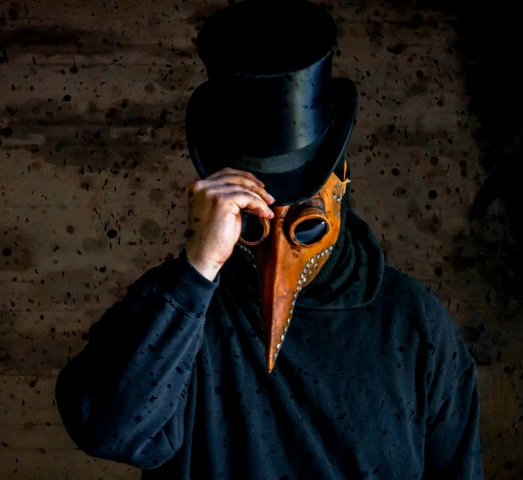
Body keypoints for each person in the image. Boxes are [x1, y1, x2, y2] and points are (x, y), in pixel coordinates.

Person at [55, 0, 484, 478]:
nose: (278, 255)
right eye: (255, 224)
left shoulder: (414, 325)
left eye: (304, 221)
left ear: (339, 187)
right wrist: (195, 273)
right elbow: (106, 429)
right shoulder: (177, 318)